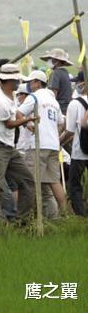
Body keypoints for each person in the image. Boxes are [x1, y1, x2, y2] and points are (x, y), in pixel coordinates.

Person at [0, 64, 36, 222]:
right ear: (7, 81)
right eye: (16, 80)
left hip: (9, 146)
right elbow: (9, 124)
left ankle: (22, 220)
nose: (19, 83)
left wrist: (26, 124)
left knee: (27, 181)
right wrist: (29, 119)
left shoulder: (11, 95)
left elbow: (16, 113)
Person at [18, 70, 66, 217]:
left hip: (37, 145)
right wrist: (53, 135)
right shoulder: (53, 101)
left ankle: (29, 216)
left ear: (37, 83)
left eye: (30, 82)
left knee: (30, 181)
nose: (29, 85)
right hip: (53, 146)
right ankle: (63, 214)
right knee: (54, 181)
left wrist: (28, 125)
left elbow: (18, 113)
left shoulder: (34, 97)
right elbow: (62, 123)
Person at [60, 72, 87, 216]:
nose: (77, 84)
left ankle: (82, 216)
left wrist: (58, 143)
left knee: (74, 186)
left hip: (80, 151)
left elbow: (69, 131)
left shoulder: (75, 103)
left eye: (79, 81)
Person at [42, 48, 73, 114]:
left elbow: (53, 93)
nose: (49, 61)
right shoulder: (65, 73)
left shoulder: (56, 73)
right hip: (67, 107)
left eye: (51, 59)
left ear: (57, 61)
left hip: (59, 108)